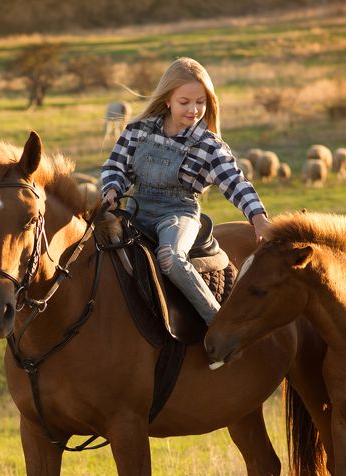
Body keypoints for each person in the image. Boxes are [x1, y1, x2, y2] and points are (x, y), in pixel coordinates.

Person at [100, 57, 271, 325]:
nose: (193, 110)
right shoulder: (137, 130)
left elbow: (235, 183)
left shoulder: (209, 145)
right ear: (167, 99)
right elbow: (115, 167)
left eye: (200, 102)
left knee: (171, 258)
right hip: (136, 210)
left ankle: (216, 321)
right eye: (184, 102)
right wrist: (111, 188)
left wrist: (259, 219)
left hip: (177, 214)